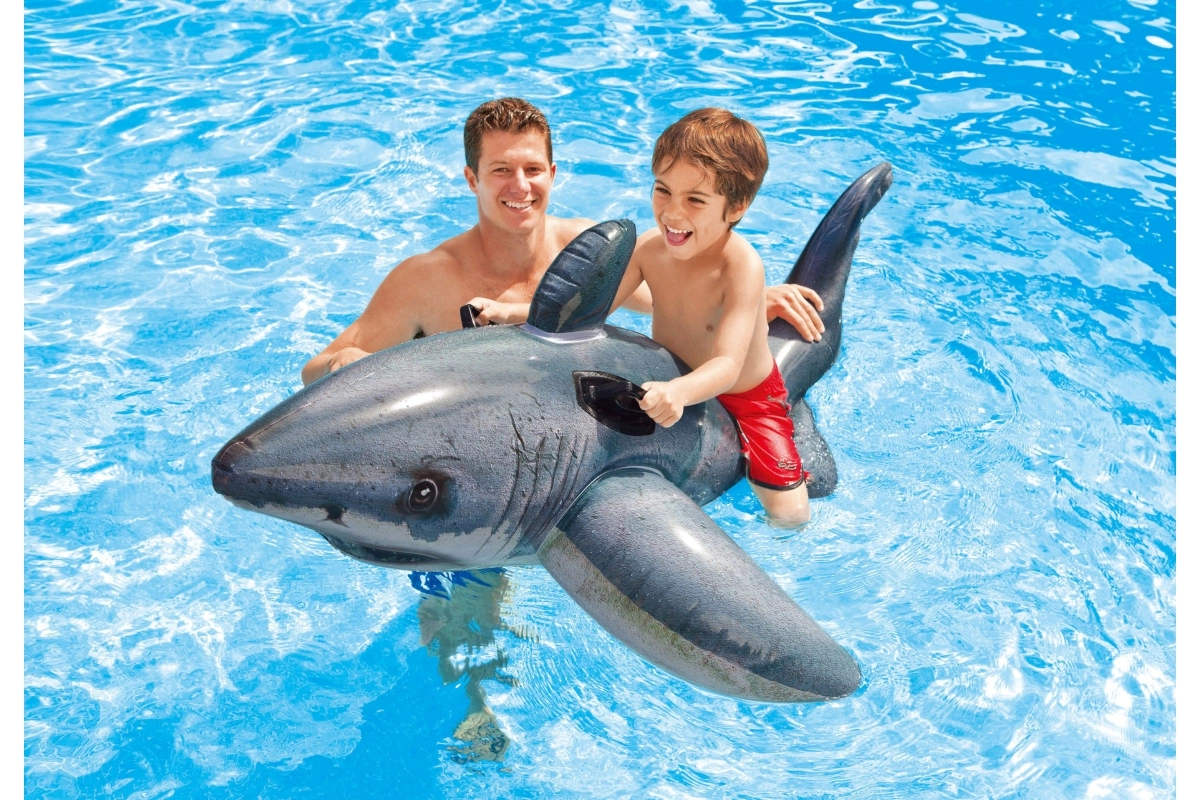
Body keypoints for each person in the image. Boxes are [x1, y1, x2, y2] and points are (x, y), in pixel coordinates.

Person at [301, 97, 826, 386]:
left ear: (552, 174)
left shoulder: (586, 249)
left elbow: (670, 295)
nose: (520, 187)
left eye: (533, 169)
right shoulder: (425, 279)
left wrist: (748, 297)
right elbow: (314, 372)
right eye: (500, 170)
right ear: (471, 179)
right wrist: (342, 365)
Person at [475, 108, 812, 526]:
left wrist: (681, 392)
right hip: (669, 380)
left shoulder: (741, 266)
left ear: (736, 207)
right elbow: (590, 309)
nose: (672, 212)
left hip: (745, 398)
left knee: (790, 513)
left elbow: (727, 365)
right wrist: (510, 312)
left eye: (695, 200)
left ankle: (789, 430)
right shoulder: (650, 250)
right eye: (663, 191)